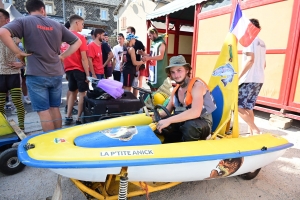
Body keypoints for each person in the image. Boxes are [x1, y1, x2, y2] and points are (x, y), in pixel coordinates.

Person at [0, 0, 81, 132]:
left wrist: (18, 52)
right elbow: (77, 42)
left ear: (28, 10)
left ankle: (49, 143)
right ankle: (58, 139)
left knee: (43, 111)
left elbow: (2, 32)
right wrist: (62, 56)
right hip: (55, 73)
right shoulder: (57, 24)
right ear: (43, 10)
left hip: (36, 73)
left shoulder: (23, 21)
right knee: (54, 108)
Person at [155, 55, 216, 143]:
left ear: (187, 70)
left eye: (179, 70)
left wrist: (169, 120)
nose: (176, 75)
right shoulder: (175, 90)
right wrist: (156, 116)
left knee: (189, 126)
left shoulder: (197, 86)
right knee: (164, 125)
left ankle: (188, 152)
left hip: (201, 123)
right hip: (183, 122)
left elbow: (195, 112)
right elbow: (166, 111)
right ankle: (168, 147)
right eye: (173, 72)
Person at [238, 18, 266, 135]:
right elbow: (264, 64)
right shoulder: (262, 43)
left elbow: (250, 60)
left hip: (249, 79)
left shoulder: (249, 41)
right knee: (249, 107)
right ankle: (251, 133)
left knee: (237, 105)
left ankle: (255, 129)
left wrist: (238, 77)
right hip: (259, 79)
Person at [0, 8, 26, 130]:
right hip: (0, 74)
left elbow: (27, 52)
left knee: (18, 103)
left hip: (13, 74)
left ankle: (22, 129)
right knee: (0, 106)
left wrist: (21, 64)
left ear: (7, 20)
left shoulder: (15, 36)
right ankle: (4, 129)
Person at [63, 14, 89, 125]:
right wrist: (88, 74)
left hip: (68, 69)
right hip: (79, 69)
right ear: (77, 22)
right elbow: (84, 58)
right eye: (82, 24)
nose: (82, 26)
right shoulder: (80, 37)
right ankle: (79, 118)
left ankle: (68, 116)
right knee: (82, 93)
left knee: (72, 91)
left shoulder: (63, 38)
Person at [126, 26, 146, 96]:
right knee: (128, 86)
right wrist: (143, 62)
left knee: (135, 85)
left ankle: (134, 100)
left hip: (134, 68)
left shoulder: (138, 43)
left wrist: (139, 65)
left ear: (133, 33)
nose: (126, 33)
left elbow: (143, 53)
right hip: (130, 68)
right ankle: (128, 102)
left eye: (128, 32)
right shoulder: (129, 47)